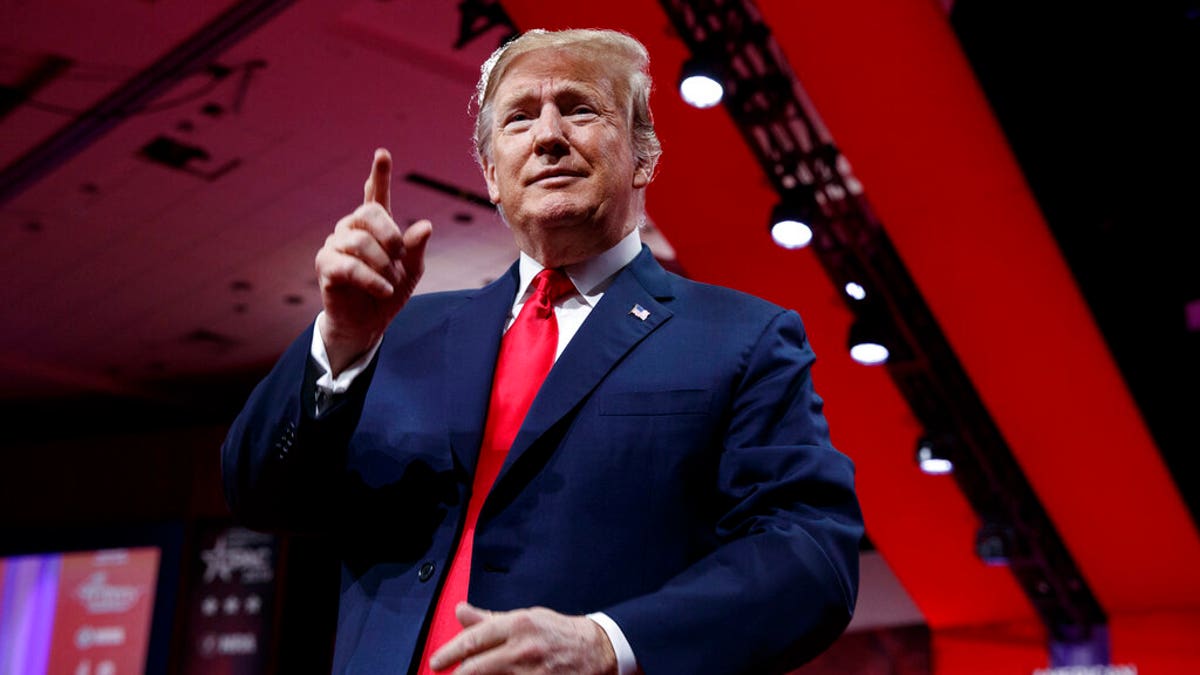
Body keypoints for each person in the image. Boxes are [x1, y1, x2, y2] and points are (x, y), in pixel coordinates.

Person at [222, 28, 863, 675]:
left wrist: (610, 642)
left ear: (643, 156)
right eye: (520, 117)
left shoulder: (740, 337)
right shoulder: (398, 332)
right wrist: (340, 342)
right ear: (494, 177)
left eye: (579, 108)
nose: (548, 136)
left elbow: (809, 554)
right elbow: (258, 495)